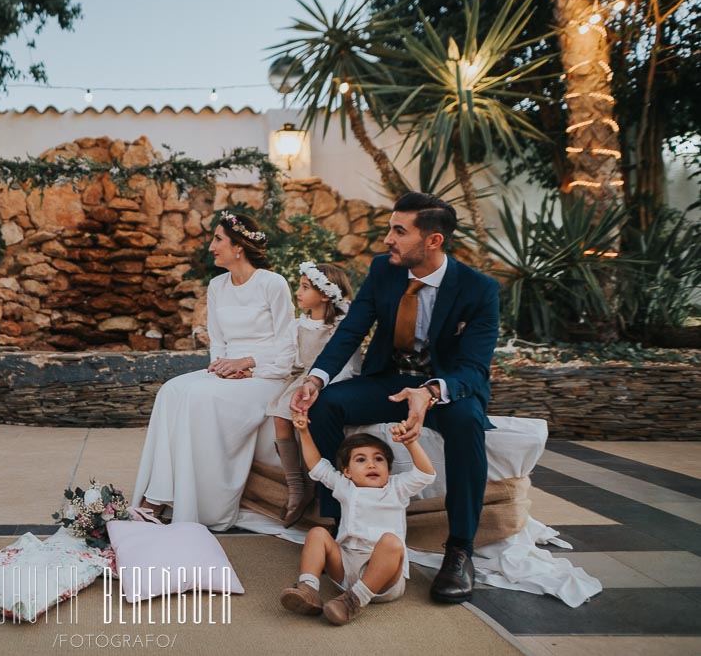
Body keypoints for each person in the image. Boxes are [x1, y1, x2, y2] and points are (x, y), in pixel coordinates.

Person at [291, 192, 500, 603]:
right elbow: (351, 330)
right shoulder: (383, 272)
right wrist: (315, 380)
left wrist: (429, 393)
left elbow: (474, 367)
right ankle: (337, 524)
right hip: (389, 380)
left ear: (433, 240)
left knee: (468, 423)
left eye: (399, 231)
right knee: (328, 403)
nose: (388, 239)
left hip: (444, 389)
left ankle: (459, 549)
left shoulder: (479, 290)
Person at [132, 212, 296, 530]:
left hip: (265, 376)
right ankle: (160, 492)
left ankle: (164, 503)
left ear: (239, 247)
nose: (211, 247)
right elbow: (218, 342)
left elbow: (288, 346)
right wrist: (222, 367)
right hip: (228, 373)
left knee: (196, 397)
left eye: (218, 239)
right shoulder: (217, 286)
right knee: (171, 391)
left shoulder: (272, 284)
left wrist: (248, 364)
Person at [279, 424, 435, 625]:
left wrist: (410, 442)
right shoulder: (345, 485)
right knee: (318, 533)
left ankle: (354, 601)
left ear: (388, 469)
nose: (372, 464)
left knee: (391, 542)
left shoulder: (396, 487)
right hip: (345, 569)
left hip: (384, 578)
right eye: (361, 460)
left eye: (379, 459)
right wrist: (303, 432)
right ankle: (309, 589)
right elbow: (317, 465)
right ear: (347, 472)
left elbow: (426, 474)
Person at [265, 262, 361, 526]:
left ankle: (312, 482)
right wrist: (256, 369)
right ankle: (296, 487)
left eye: (305, 287)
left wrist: (320, 385)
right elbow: (285, 361)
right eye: (300, 285)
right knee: (280, 416)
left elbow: (349, 365)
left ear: (326, 295)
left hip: (332, 381)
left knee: (309, 416)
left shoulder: (341, 326)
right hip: (303, 379)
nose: (298, 292)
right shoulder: (298, 325)